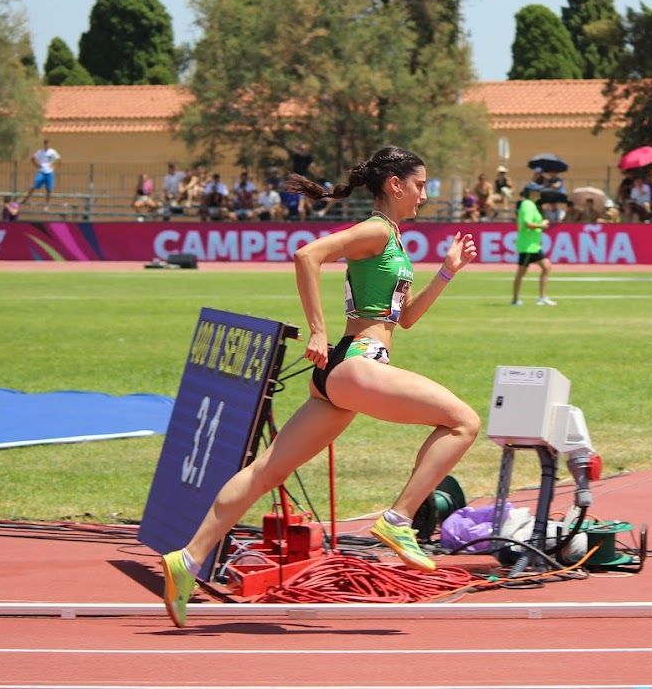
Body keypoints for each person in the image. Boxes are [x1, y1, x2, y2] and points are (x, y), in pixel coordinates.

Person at [158, 146, 479, 628]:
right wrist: (317, 330)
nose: (424, 195)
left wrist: (448, 271)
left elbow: (405, 319)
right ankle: (397, 521)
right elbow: (307, 255)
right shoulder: (375, 230)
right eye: (419, 185)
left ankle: (188, 558)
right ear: (394, 184)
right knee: (464, 423)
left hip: (339, 377)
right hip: (356, 363)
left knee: (266, 470)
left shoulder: (392, 239)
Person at [511, 183, 554, 306]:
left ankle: (542, 298)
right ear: (531, 193)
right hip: (528, 247)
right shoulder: (528, 205)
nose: (540, 193)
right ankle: (515, 300)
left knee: (546, 267)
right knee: (521, 273)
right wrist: (542, 225)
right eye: (537, 191)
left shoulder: (530, 205)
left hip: (533, 246)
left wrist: (540, 225)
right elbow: (527, 224)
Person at [24, 139, 61, 209]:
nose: (47, 145)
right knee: (34, 185)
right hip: (41, 172)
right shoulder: (40, 152)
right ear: (44, 144)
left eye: (48, 143)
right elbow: (32, 159)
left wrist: (54, 166)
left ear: (50, 144)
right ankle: (25, 199)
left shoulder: (53, 152)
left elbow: (59, 160)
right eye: (45, 144)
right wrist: (36, 165)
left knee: (49, 190)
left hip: (49, 173)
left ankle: (46, 205)